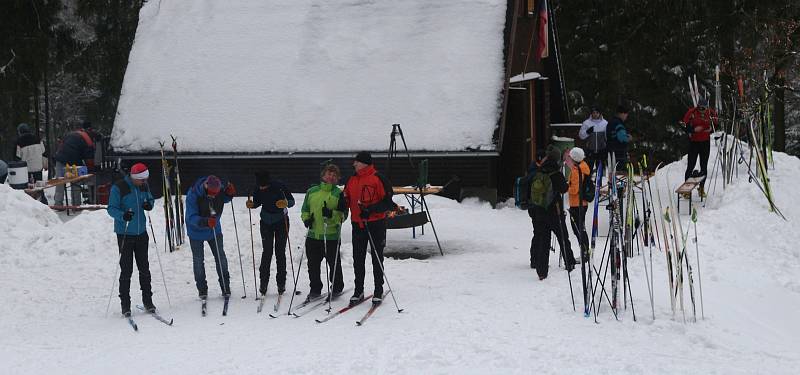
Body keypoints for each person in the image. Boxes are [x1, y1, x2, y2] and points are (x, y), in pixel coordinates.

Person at [343, 151, 394, 305]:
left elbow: (388, 203)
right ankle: (359, 290)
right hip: (357, 223)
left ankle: (378, 290)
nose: (354, 164)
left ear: (364, 163)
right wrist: (341, 204)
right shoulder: (352, 179)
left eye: (356, 162)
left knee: (376, 257)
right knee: (358, 259)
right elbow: (346, 197)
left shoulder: (378, 178)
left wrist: (371, 209)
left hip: (375, 224)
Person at [106, 163, 156, 316]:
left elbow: (150, 199)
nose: (144, 182)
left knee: (144, 269)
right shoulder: (119, 187)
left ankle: (148, 301)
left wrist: (149, 204)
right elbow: (111, 208)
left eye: (145, 179)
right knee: (126, 270)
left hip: (141, 233)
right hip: (125, 233)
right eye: (142, 180)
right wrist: (123, 216)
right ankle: (125, 305)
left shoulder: (143, 185)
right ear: (134, 178)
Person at [300, 164, 348, 301]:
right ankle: (315, 288)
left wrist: (331, 214)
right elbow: (305, 209)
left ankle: (337, 287)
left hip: (331, 235)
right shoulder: (312, 191)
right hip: (313, 234)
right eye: (329, 174)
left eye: (334, 175)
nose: (331, 177)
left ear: (338, 179)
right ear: (323, 175)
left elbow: (344, 215)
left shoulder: (339, 194)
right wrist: (306, 219)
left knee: (333, 263)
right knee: (313, 265)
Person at [529, 146, 575, 280]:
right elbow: (564, 189)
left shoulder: (539, 171)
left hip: (539, 212)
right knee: (563, 238)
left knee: (544, 241)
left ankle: (541, 271)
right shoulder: (556, 173)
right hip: (554, 211)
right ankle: (570, 263)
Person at [245, 171, 295, 297]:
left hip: (281, 221)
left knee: (280, 251)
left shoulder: (279, 186)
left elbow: (292, 201)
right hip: (266, 221)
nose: (261, 188)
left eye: (264, 186)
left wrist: (286, 203)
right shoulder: (258, 188)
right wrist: (252, 205)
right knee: (267, 251)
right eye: (260, 186)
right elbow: (257, 202)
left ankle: (281, 283)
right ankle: (263, 282)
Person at [186, 175, 235, 299]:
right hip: (196, 232)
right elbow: (190, 217)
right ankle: (202, 290)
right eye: (212, 193)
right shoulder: (193, 194)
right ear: (206, 186)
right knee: (198, 261)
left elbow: (224, 199)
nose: (214, 196)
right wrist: (205, 222)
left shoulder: (218, 190)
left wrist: (229, 194)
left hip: (214, 230)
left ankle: (225, 287)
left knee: (221, 257)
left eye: (216, 193)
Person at [680, 98, 717, 197]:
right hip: (694, 143)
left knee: (704, 166)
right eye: (700, 108)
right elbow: (683, 126)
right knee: (691, 166)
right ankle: (687, 191)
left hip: (705, 143)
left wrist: (711, 129)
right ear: (698, 106)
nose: (702, 110)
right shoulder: (691, 112)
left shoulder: (710, 113)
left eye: (704, 108)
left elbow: (716, 125)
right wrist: (693, 130)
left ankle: (701, 188)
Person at [53, 121, 96, 206]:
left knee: (60, 182)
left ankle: (58, 204)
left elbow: (61, 144)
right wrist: (91, 169)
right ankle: (76, 205)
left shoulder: (72, 133)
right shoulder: (88, 140)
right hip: (73, 162)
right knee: (75, 182)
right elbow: (89, 159)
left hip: (60, 158)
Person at [567, 147, 591, 259]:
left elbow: (574, 189)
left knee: (578, 229)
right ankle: (585, 251)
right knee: (580, 228)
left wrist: (567, 186)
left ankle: (585, 253)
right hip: (581, 203)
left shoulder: (577, 171)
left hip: (577, 204)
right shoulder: (583, 166)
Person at [15, 123, 48, 203]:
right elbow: (44, 153)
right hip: (38, 168)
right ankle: (43, 203)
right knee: (39, 188)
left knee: (29, 190)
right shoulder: (38, 139)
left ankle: (31, 205)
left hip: (27, 170)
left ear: (20, 132)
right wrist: (45, 165)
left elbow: (17, 158)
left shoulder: (19, 141)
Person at [578, 107, 608, 172]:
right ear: (591, 113)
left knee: (600, 170)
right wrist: (587, 132)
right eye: (593, 113)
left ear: (600, 113)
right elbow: (581, 136)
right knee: (588, 169)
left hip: (601, 150)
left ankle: (599, 182)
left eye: (597, 113)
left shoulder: (605, 123)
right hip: (590, 150)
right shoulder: (586, 123)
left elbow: (607, 137)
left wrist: (606, 145)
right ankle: (588, 181)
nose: (595, 114)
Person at [605, 105, 631, 170]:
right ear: (621, 113)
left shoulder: (611, 122)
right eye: (626, 114)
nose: (626, 116)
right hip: (619, 153)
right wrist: (629, 137)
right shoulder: (618, 123)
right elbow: (622, 138)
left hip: (611, 151)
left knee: (612, 172)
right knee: (619, 172)